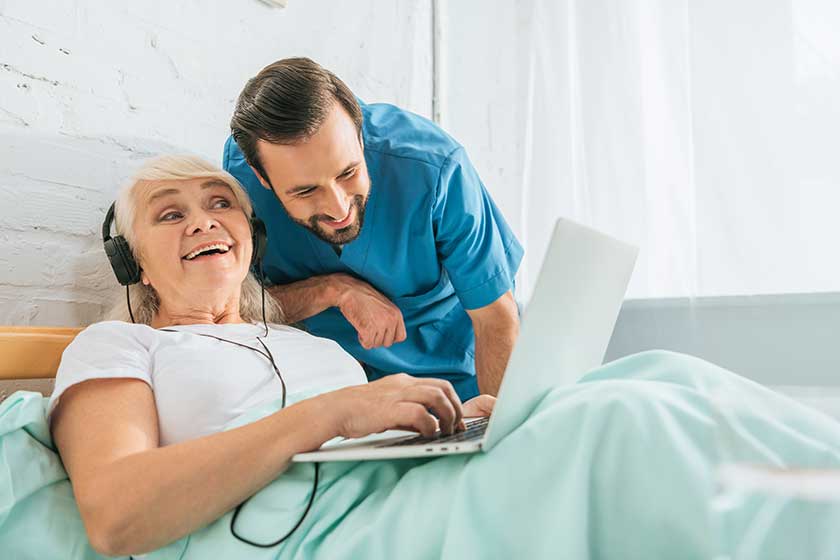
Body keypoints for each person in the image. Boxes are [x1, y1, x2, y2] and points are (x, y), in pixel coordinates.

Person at [47, 155, 840, 559]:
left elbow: (363, 436)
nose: (202, 220)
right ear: (135, 264)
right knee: (620, 423)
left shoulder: (297, 344)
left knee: (658, 375)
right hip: (322, 535)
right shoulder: (121, 346)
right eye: (169, 213)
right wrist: (329, 413)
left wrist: (462, 420)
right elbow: (116, 513)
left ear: (251, 236)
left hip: (410, 487)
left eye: (220, 204)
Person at [223, 57, 522, 401]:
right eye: (306, 191)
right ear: (262, 177)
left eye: (348, 172)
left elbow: (495, 317)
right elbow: (237, 309)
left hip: (468, 371)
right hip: (345, 390)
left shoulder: (434, 168)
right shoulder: (239, 187)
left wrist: (498, 433)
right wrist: (333, 290)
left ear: (360, 136)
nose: (338, 208)